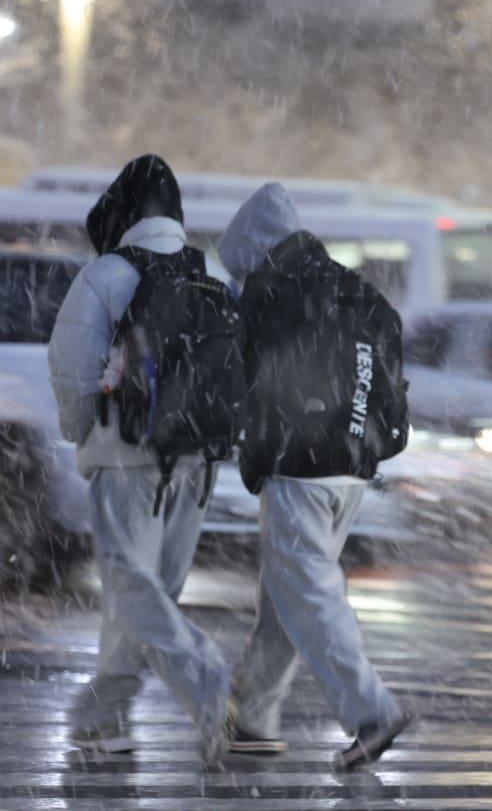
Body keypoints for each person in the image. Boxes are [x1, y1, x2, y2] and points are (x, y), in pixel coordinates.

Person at [218, 183, 413, 769]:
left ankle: (371, 712)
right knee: (288, 596)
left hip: (300, 464)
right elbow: (388, 376)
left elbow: (243, 380)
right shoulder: (357, 290)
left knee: (306, 591)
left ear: (254, 249)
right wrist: (365, 439)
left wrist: (253, 445)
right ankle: (251, 717)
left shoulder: (271, 294)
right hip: (353, 465)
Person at [47, 154, 234, 763]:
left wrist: (80, 430)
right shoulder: (211, 271)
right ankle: (104, 717)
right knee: (150, 594)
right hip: (197, 462)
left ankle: (209, 681)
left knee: (132, 588)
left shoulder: (106, 274)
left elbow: (70, 362)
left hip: (127, 453)